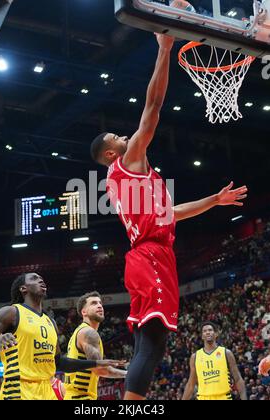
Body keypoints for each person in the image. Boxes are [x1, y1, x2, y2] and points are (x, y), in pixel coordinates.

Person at [90, 33, 248, 400]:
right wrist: (164, 48)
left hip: (147, 254)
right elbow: (154, 105)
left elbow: (173, 212)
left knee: (152, 343)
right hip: (150, 256)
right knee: (153, 343)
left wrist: (215, 200)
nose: (125, 134)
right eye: (117, 135)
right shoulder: (128, 163)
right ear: (113, 153)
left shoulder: (126, 177)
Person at [0, 273, 123, 400]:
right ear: (23, 288)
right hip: (19, 390)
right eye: (34, 279)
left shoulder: (51, 322)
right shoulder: (11, 313)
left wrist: (95, 363)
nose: (41, 280)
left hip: (48, 391)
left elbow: (59, 363)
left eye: (41, 279)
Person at [64, 291, 127, 400]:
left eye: (100, 303)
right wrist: (129, 374)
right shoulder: (88, 332)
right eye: (93, 303)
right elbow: (100, 370)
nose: (99, 306)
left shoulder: (80, 332)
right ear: (84, 312)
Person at [182, 322, 247, 400]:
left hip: (224, 397)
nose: (208, 332)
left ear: (216, 334)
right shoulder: (195, 357)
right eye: (205, 331)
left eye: (210, 330)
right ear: (202, 336)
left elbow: (238, 379)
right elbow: (190, 384)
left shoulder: (226, 353)